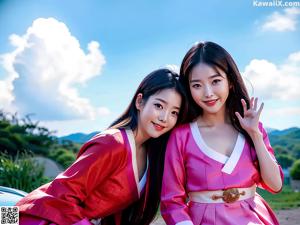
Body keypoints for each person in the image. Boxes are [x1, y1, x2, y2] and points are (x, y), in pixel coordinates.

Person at [16, 68, 187, 225]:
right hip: (38, 217)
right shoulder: (112, 143)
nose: (165, 117)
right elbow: (62, 194)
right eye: (159, 105)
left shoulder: (151, 154)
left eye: (174, 112)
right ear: (140, 102)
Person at [160, 41, 283, 225]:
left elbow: (275, 185)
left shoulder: (252, 128)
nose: (208, 93)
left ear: (230, 81)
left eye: (215, 81)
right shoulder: (181, 136)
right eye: (197, 85)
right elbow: (172, 202)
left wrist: (255, 134)